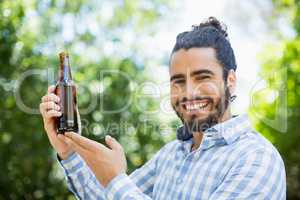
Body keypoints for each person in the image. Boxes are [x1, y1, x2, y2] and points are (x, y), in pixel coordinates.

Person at [40, 17, 286, 199]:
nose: (189, 92)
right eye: (178, 81)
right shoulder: (172, 154)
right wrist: (68, 149)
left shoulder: (256, 160)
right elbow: (109, 196)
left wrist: (116, 179)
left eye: (203, 78)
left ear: (230, 81)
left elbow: (118, 189)